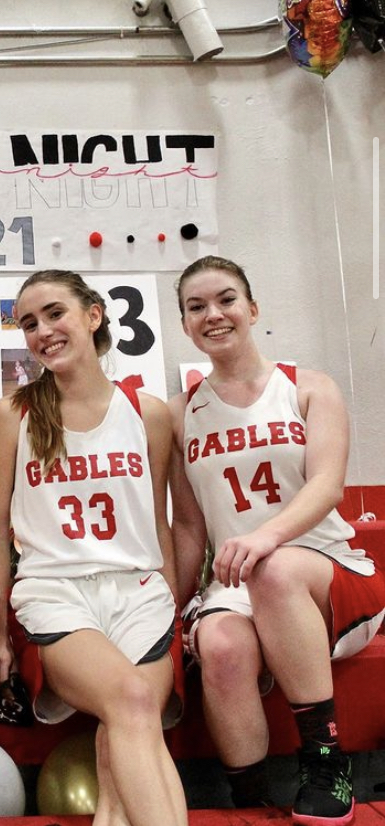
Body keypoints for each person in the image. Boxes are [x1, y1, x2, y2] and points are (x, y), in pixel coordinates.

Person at [169, 255, 385, 824]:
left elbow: (327, 486)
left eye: (226, 300)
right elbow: (190, 525)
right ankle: (249, 800)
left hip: (327, 569)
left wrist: (265, 537)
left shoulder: (308, 386)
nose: (213, 314)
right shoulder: (181, 414)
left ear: (252, 308)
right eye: (196, 307)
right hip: (239, 582)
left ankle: (325, 761)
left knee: (277, 569)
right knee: (220, 643)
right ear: (184, 324)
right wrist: (168, 606)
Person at [0, 269, 188, 826]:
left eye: (54, 313)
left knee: (121, 734)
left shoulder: (148, 412)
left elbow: (159, 522)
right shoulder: (13, 415)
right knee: (134, 704)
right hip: (57, 592)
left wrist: (172, 599)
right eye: (28, 323)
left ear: (93, 315)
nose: (42, 330)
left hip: (141, 594)